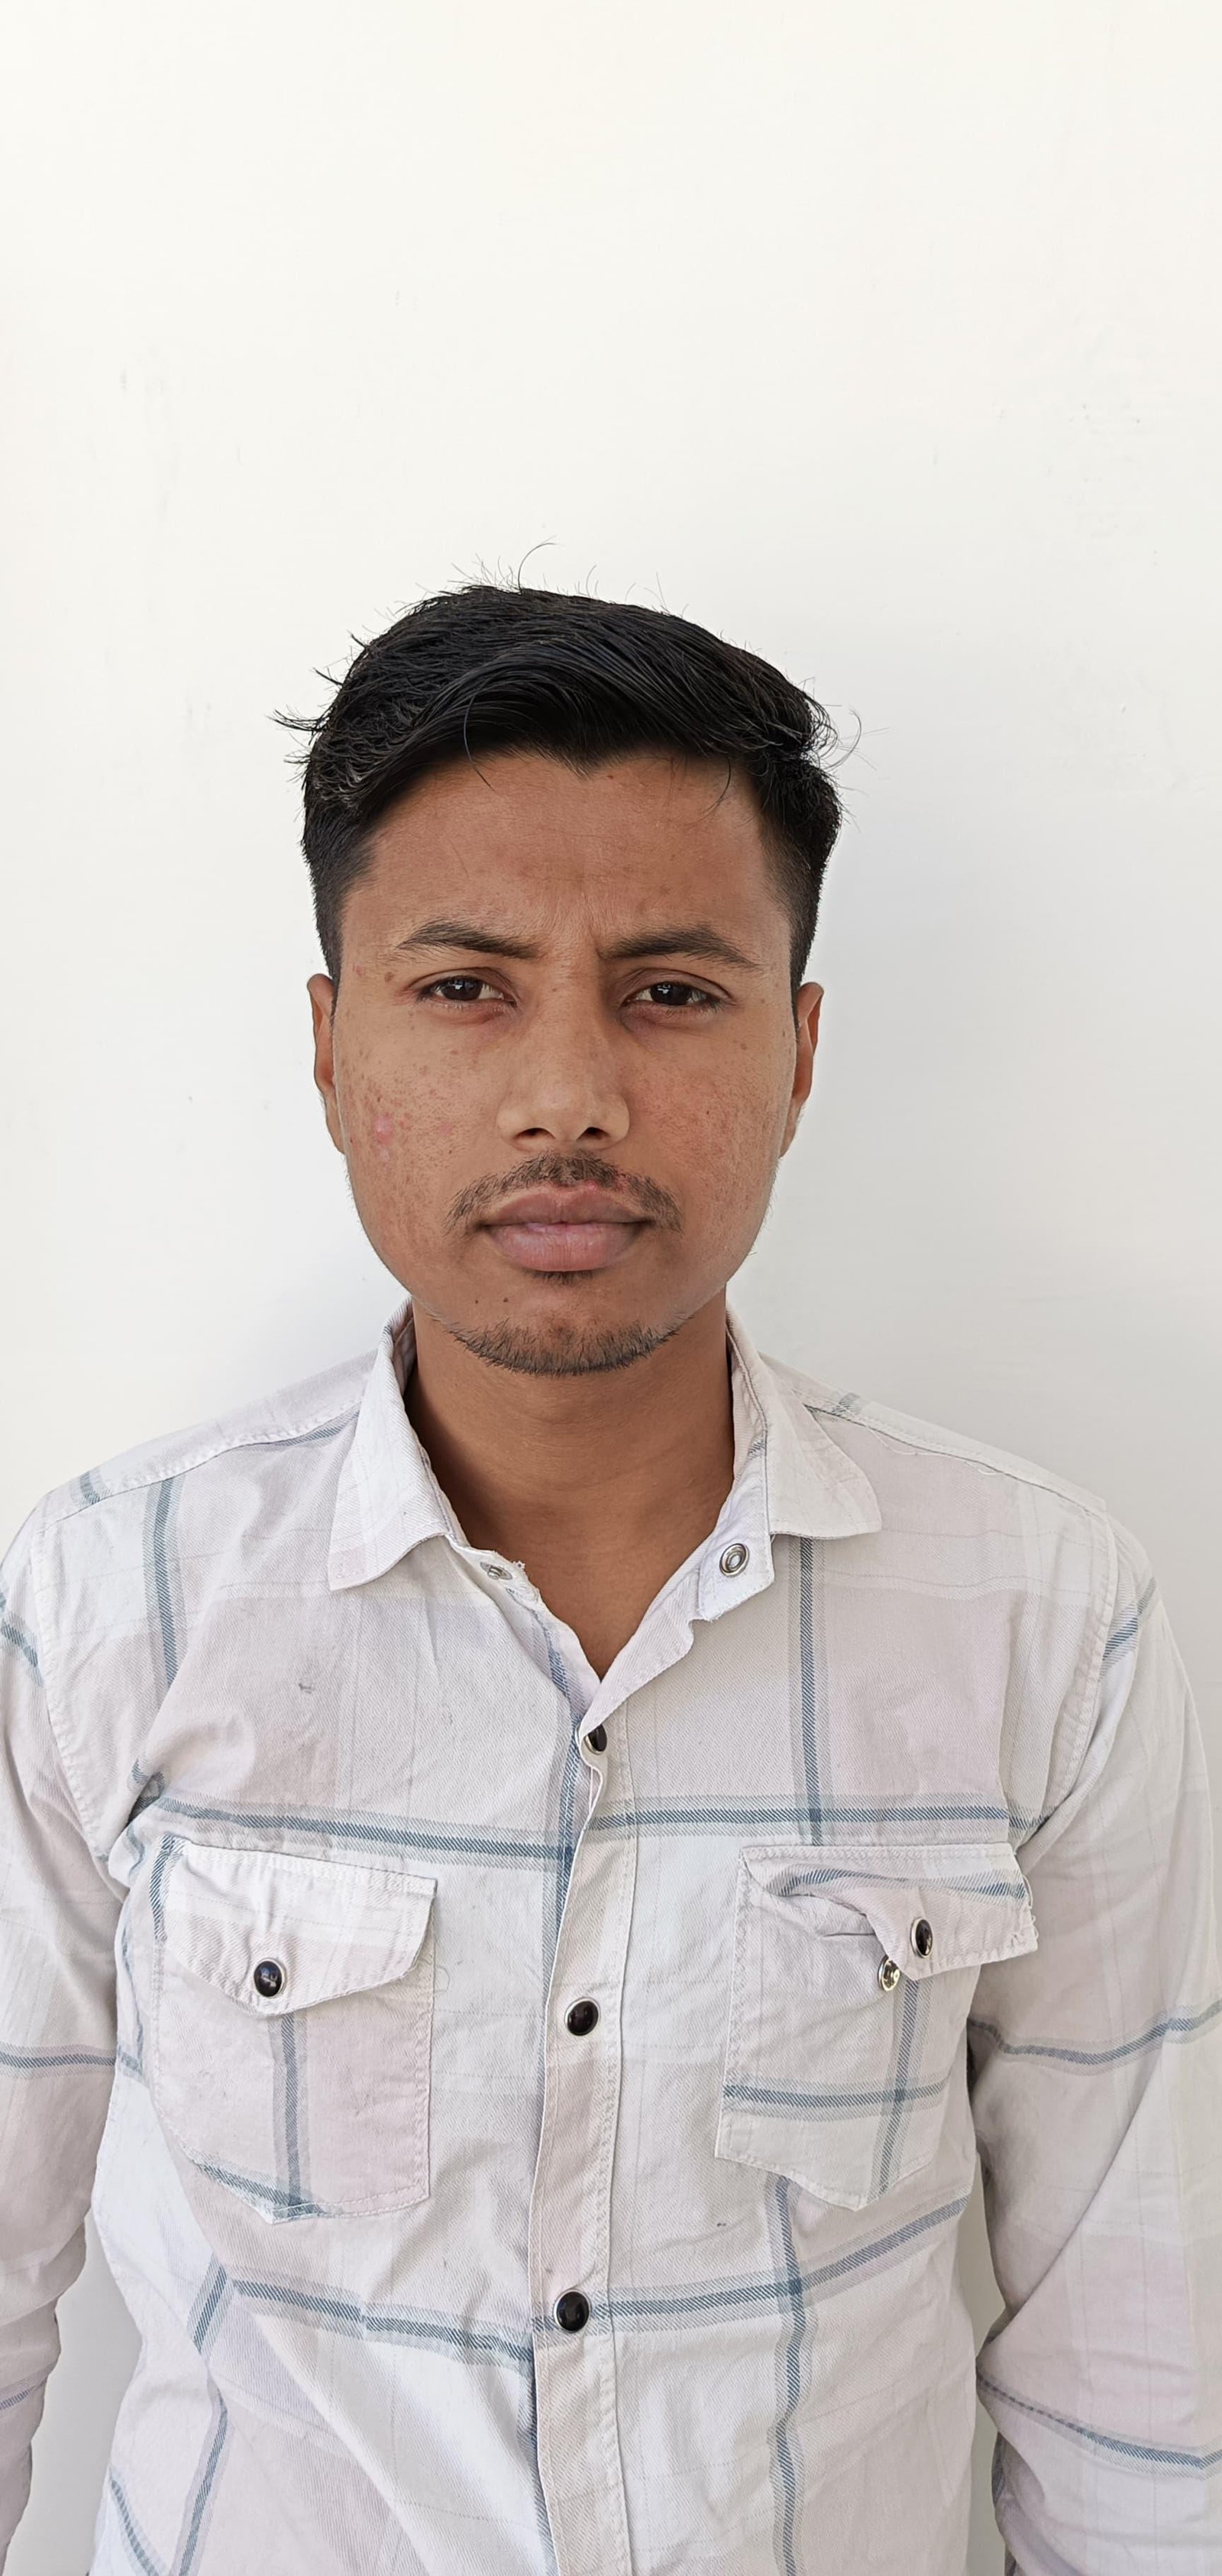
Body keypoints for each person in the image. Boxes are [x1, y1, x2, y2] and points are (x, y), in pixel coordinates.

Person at [2, 584, 1218, 2576]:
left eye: (669, 990)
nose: (567, 1092)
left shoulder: (1041, 1615)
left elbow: (1137, 2365)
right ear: (331, 1045)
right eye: (465, 987)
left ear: (800, 1050)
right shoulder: (112, 1597)